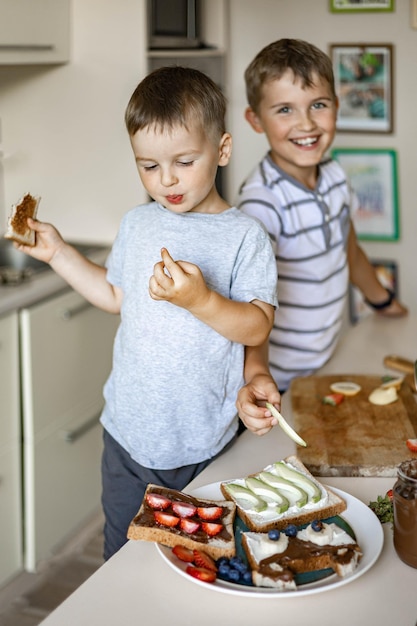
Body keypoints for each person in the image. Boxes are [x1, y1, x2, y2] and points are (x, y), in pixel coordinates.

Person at [16, 66, 278, 559]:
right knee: (122, 556)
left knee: (199, 558)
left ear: (221, 150)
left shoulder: (245, 237)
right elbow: (116, 296)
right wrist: (59, 254)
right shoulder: (137, 224)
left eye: (183, 161)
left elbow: (256, 325)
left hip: (205, 445)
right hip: (126, 441)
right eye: (149, 166)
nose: (167, 180)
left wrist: (199, 300)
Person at [234, 39, 407, 435]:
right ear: (255, 120)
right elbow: (251, 301)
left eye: (318, 104)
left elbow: (347, 247)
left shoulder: (334, 175)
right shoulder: (261, 205)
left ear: (336, 105)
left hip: (328, 358)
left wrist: (384, 302)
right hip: (274, 383)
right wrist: (257, 377)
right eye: (284, 110)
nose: (306, 124)